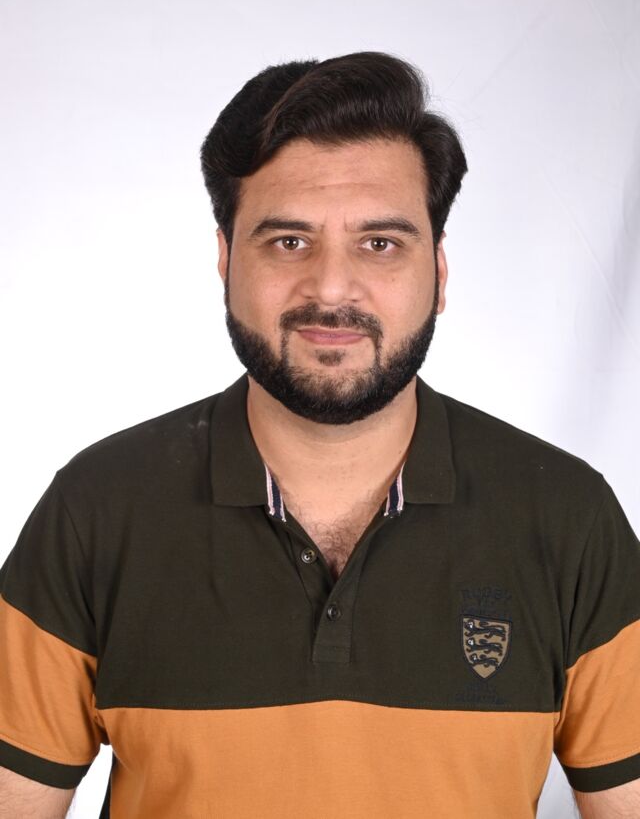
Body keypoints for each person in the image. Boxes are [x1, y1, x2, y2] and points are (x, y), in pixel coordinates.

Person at [0, 52, 638, 819]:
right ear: (224, 260)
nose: (332, 288)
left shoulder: (569, 520)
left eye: (380, 243)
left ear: (439, 272)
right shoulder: (94, 511)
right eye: (289, 241)